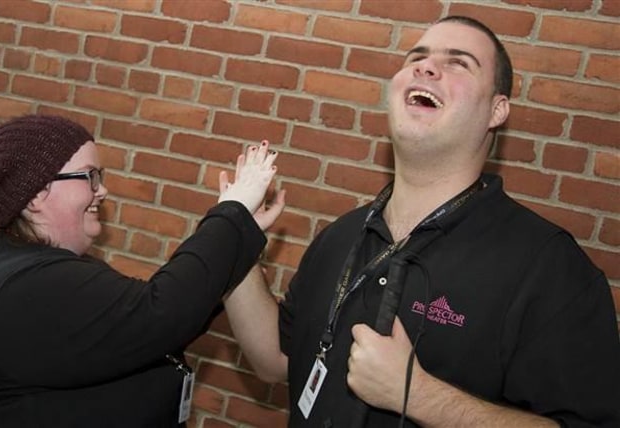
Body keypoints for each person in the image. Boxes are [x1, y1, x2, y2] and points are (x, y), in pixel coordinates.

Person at [225, 16, 620, 427]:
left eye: (458, 63)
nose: (426, 67)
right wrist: (236, 240)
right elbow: (275, 359)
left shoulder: (549, 267)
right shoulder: (340, 237)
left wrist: (418, 395)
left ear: (496, 109)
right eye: (417, 57)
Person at [0, 114, 284, 427]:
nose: (103, 190)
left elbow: (147, 327)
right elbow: (161, 313)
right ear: (34, 196)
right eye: (89, 177)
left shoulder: (34, 266)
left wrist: (238, 233)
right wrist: (231, 213)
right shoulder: (30, 285)